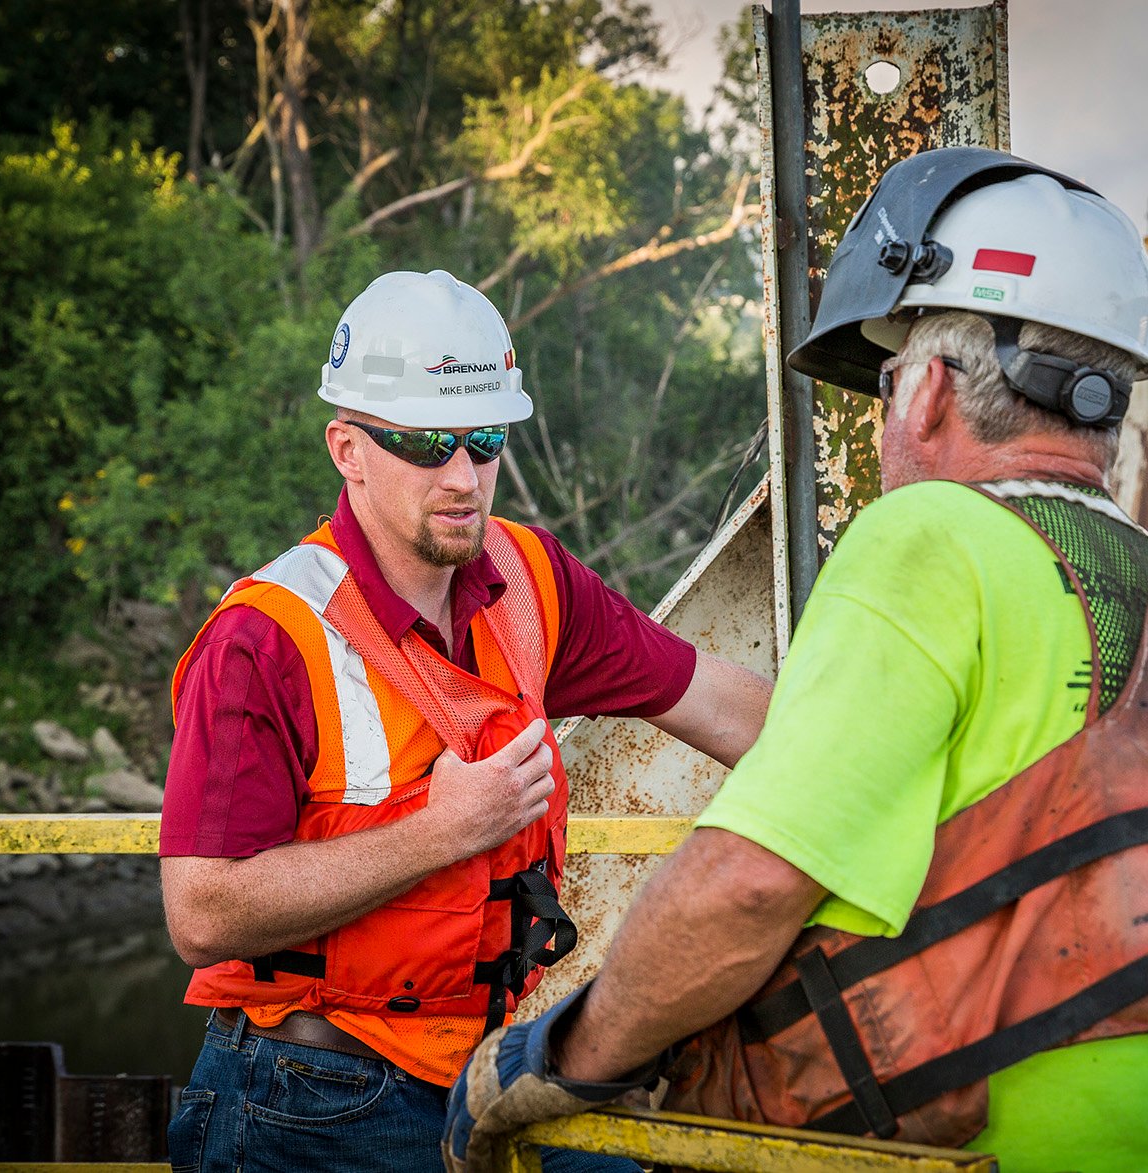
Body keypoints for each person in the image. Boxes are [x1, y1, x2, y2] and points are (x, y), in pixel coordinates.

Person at [443, 149, 1148, 1173]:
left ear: (927, 390)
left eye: (885, 383)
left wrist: (559, 1058)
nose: (886, 418)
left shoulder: (931, 536)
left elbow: (749, 884)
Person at [158, 269, 773, 1173]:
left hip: (480, 1069)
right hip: (301, 1096)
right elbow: (202, 913)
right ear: (347, 448)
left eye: (484, 439)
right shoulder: (266, 638)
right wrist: (444, 830)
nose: (462, 476)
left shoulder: (530, 578)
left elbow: (717, 701)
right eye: (425, 442)